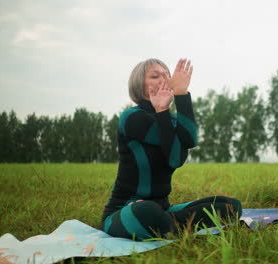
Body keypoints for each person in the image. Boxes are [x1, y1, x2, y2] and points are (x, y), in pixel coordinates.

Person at [100, 58, 242, 240]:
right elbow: (175, 155)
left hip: (163, 209)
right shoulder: (131, 118)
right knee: (146, 211)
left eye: (167, 75)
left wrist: (182, 94)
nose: (163, 79)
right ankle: (170, 224)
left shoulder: (168, 118)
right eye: (154, 76)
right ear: (139, 85)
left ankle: (167, 224)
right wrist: (163, 113)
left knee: (231, 206)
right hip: (126, 210)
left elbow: (189, 141)